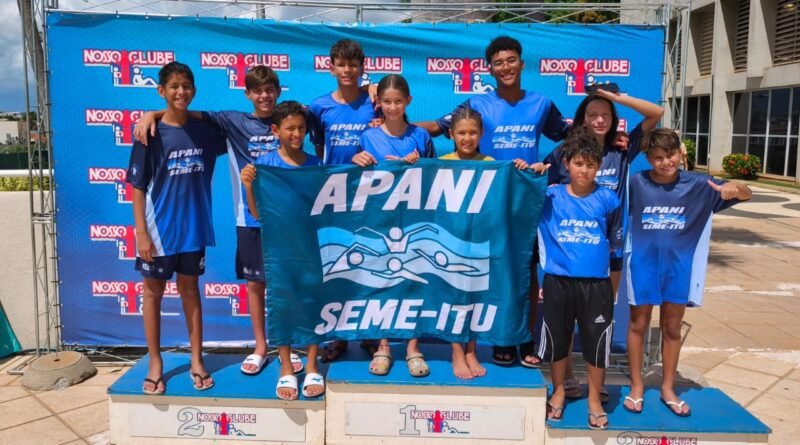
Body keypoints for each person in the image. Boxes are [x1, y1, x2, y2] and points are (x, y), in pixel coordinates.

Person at [133, 66, 305, 377]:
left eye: (270, 90)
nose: (264, 96)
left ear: (279, 92)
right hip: (248, 219)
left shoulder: (293, 120)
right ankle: (260, 347)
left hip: (288, 221)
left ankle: (287, 348)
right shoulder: (232, 122)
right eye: (257, 90)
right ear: (248, 94)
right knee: (255, 284)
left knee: (286, 285)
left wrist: (372, 94)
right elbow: (182, 111)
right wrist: (151, 115)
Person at [418, 35, 569, 368]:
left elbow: (570, 139)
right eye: (498, 62)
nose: (505, 67)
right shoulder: (476, 104)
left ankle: (522, 336)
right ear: (490, 68)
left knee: (525, 273)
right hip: (482, 204)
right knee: (483, 272)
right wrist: (393, 125)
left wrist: (550, 166)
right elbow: (437, 126)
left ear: (521, 63)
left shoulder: (542, 103)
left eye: (511, 60)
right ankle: (499, 338)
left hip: (522, 203)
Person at [542, 88, 663, 400]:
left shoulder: (622, 149)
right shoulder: (564, 152)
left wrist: (615, 97)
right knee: (566, 320)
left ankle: (597, 383)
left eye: (605, 115)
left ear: (614, 120)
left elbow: (655, 113)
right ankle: (567, 377)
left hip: (611, 252)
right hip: (571, 253)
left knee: (601, 319)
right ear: (582, 118)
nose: (599, 120)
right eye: (592, 114)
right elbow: (541, 181)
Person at [622, 128, 751, 416]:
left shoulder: (701, 185)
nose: (665, 162)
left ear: (681, 153)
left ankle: (668, 387)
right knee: (638, 325)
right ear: (648, 159)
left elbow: (746, 194)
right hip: (642, 265)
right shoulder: (636, 183)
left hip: (679, 268)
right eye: (657, 158)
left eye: (670, 156)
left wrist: (735, 186)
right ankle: (636, 386)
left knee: (671, 326)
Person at [126, 62, 227, 395]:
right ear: (162, 91)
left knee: (190, 292)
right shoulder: (148, 134)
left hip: (193, 229)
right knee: (152, 294)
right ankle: (155, 362)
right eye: (173, 87)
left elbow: (245, 128)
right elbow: (138, 187)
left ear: (194, 90)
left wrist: (151, 112)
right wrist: (141, 232)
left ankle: (197, 360)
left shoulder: (208, 131)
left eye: (186, 86)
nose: (180, 92)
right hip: (158, 231)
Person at [534, 128, 621, 429]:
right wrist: (532, 171)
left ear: (599, 167)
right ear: (567, 163)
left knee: (597, 344)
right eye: (579, 163)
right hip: (558, 282)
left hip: (596, 285)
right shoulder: (550, 194)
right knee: (559, 341)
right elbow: (519, 190)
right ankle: (558, 391)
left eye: (591, 165)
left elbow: (616, 245)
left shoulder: (609, 199)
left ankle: (594, 398)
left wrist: (613, 287)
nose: (584, 170)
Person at [240, 100, 325, 401]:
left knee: (313, 303)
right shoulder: (264, 167)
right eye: (290, 128)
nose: (297, 134)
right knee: (283, 306)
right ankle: (286, 366)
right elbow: (257, 213)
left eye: (301, 128)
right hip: (278, 251)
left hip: (310, 247)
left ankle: (313, 363)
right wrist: (249, 186)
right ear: (276, 130)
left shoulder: (316, 165)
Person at [351, 74, 435, 377]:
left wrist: (419, 164)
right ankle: (383, 345)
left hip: (413, 218)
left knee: (414, 278)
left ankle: (413, 346)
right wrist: (357, 160)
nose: (392, 107)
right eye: (386, 101)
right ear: (378, 103)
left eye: (398, 101)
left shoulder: (421, 137)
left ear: (408, 101)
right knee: (382, 276)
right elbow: (358, 177)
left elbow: (436, 178)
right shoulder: (368, 135)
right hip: (380, 218)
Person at [307, 39, 380, 362]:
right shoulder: (319, 106)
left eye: (353, 65)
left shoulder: (375, 101)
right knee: (337, 266)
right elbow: (318, 146)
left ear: (362, 67)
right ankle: (336, 335)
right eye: (341, 64)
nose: (347, 70)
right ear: (331, 67)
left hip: (372, 195)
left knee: (372, 263)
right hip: (333, 196)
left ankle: (369, 332)